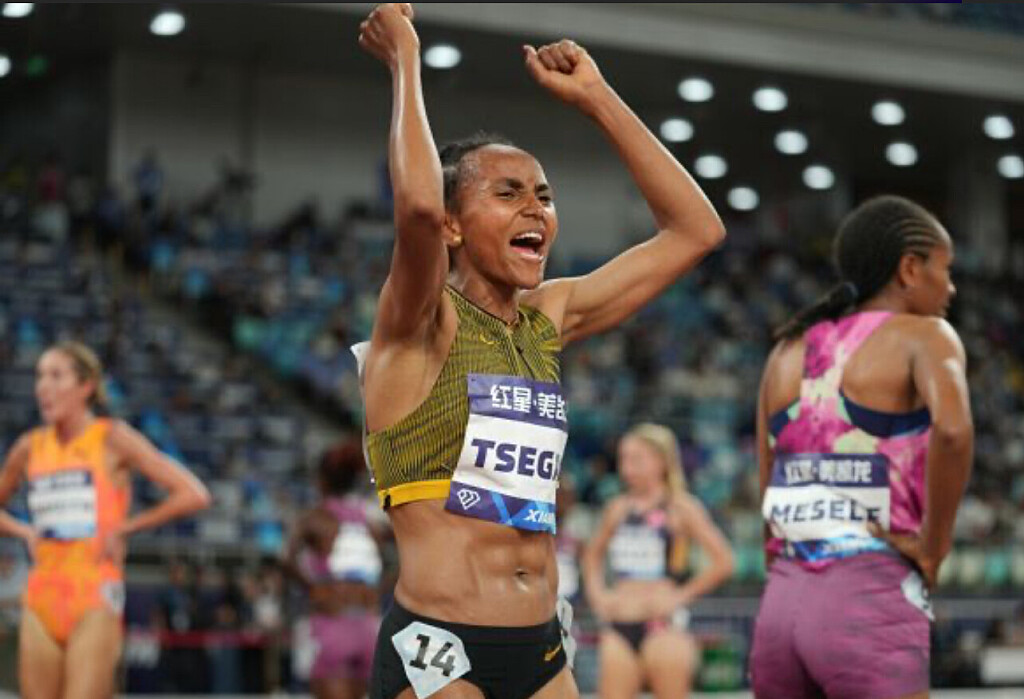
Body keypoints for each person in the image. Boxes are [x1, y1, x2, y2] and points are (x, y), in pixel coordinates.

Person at [356, 4, 725, 698]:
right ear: (455, 227)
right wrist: (405, 60)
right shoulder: (421, 321)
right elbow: (417, 210)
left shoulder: (545, 318)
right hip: (442, 647)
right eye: (509, 193)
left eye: (545, 197)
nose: (536, 209)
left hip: (543, 647)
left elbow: (695, 231)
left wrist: (598, 98)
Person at [749, 195, 974, 699]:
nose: (951, 287)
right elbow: (954, 431)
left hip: (781, 602)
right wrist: (933, 547)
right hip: (869, 597)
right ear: (910, 269)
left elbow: (765, 478)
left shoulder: (787, 348)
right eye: (946, 270)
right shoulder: (926, 335)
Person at [0, 341, 212, 699]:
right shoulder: (29, 447)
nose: (42, 387)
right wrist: (23, 531)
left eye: (56, 376)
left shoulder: (112, 438)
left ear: (85, 386)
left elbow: (193, 493)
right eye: (39, 376)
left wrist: (125, 528)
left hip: (94, 592)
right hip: (41, 594)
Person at [582, 424, 734, 699]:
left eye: (636, 459)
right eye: (623, 459)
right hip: (620, 624)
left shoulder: (681, 507)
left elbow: (724, 561)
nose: (627, 468)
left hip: (663, 625)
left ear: (661, 461)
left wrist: (681, 596)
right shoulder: (617, 508)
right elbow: (591, 556)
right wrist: (598, 596)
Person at [284, 440, 385, 699]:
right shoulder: (372, 520)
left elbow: (286, 559)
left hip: (333, 622)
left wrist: (312, 587)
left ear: (322, 481)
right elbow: (407, 555)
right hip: (370, 626)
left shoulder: (315, 518)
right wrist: (381, 588)